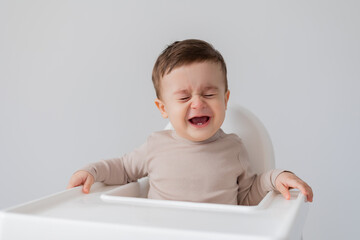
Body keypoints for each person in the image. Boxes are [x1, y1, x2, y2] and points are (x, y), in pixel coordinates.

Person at [67, 39, 313, 205]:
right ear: (163, 108)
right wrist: (92, 170)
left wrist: (276, 178)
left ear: (225, 100)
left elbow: (248, 196)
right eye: (184, 97)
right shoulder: (156, 146)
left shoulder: (233, 149)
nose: (197, 103)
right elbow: (122, 168)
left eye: (208, 94)